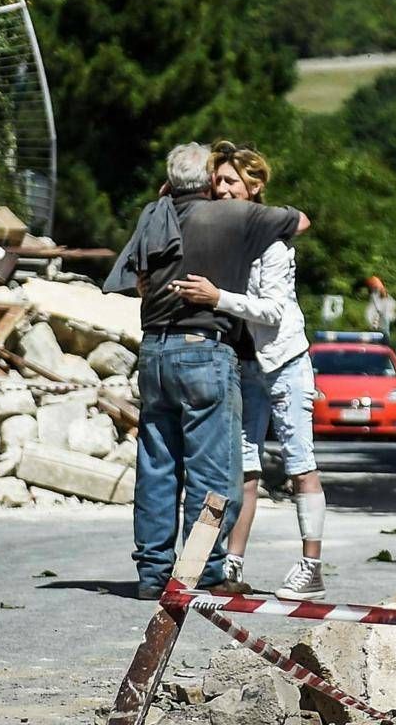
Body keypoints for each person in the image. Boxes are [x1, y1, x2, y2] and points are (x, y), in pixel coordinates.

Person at [128, 142, 310, 600]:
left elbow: (135, 279)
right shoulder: (232, 216)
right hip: (204, 353)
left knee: (156, 467)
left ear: (169, 182)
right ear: (208, 180)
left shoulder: (154, 214)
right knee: (213, 474)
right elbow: (301, 220)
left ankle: (153, 575)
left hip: (153, 352)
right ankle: (200, 572)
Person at [172, 140, 326, 600]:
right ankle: (231, 562)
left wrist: (216, 297)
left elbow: (274, 312)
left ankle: (311, 564)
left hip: (284, 361)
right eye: (215, 181)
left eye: (229, 181)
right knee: (243, 467)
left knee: (300, 462)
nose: (220, 189)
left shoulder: (272, 244)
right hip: (244, 364)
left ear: (253, 187)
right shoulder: (224, 236)